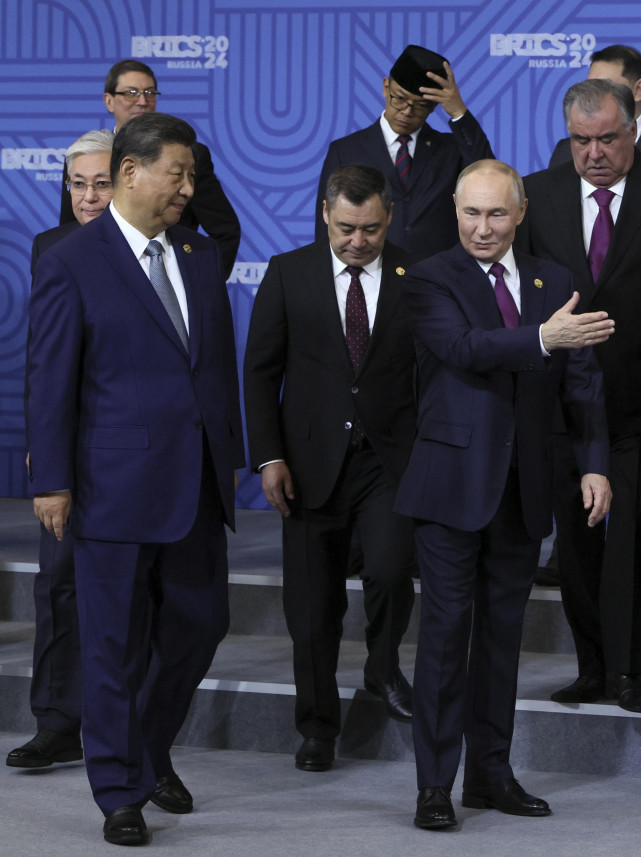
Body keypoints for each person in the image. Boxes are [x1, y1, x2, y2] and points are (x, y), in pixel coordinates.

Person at [26, 113, 245, 846]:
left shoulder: (201, 253)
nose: (189, 188)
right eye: (178, 174)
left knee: (201, 623)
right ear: (130, 172)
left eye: (192, 175)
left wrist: (232, 457)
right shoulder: (71, 259)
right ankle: (119, 789)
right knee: (113, 644)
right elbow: (50, 376)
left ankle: (146, 748)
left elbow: (213, 370)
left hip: (198, 483)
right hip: (110, 483)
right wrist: (52, 479)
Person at [395, 159, 612, 830]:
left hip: (524, 489)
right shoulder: (430, 276)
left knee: (500, 640)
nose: (481, 227)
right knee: (443, 639)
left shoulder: (556, 280)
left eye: (495, 214)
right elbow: (464, 347)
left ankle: (490, 774)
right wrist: (544, 337)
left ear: (519, 214)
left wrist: (593, 463)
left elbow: (583, 381)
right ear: (454, 212)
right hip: (450, 489)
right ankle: (435, 783)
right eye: (469, 213)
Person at [518, 78, 641, 713]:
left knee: (634, 548)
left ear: (634, 127)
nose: (594, 152)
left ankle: (629, 670)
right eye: (580, 140)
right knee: (579, 549)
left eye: (608, 139)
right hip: (566, 407)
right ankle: (591, 669)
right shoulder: (537, 194)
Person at [242, 165, 417, 773]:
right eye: (346, 228)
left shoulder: (413, 273)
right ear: (325, 213)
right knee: (312, 608)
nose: (358, 241)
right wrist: (269, 457)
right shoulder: (288, 272)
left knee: (393, 572)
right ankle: (317, 728)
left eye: (370, 229)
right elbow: (261, 372)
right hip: (309, 464)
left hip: (389, 461)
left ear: (388, 217)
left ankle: (381, 664)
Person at [6, 129, 114, 772]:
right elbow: (42, 361)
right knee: (58, 585)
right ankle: (55, 721)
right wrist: (45, 448)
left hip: (133, 449)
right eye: (78, 184)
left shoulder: (160, 247)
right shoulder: (50, 247)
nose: (89, 197)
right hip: (69, 451)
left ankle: (128, 726)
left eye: (102, 183)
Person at [59, 60, 240, 280]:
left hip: (161, 275)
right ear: (109, 101)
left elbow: (225, 230)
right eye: (131, 93)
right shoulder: (85, 156)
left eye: (150, 92)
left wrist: (200, 284)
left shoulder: (189, 155)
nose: (142, 101)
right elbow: (71, 226)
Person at [315, 44, 493, 259]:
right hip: (372, 275)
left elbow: (489, 176)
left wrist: (459, 112)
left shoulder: (450, 149)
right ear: (385, 87)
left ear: (434, 106)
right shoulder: (345, 150)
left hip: (438, 275)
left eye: (419, 106)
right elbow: (325, 227)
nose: (407, 112)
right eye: (399, 99)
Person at [547, 44, 641, 170]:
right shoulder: (565, 152)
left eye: (605, 86)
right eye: (590, 86)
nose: (593, 95)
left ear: (638, 89)